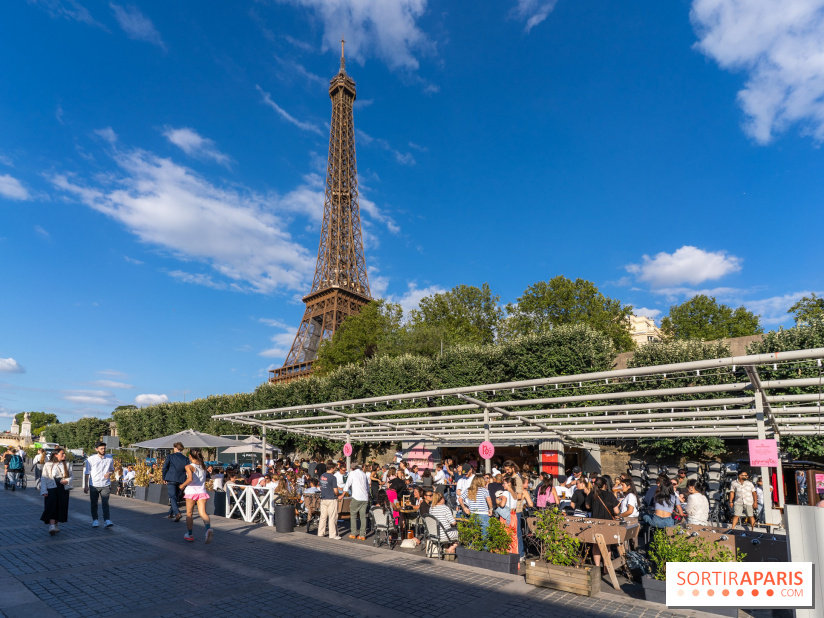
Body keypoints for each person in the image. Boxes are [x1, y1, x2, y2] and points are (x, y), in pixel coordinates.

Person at [179, 448, 213, 544]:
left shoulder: (189, 466)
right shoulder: (203, 466)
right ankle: (208, 529)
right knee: (203, 513)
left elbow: (190, 479)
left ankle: (190, 534)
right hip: (202, 491)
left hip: (191, 492)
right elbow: (205, 478)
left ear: (190, 456)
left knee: (189, 513)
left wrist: (182, 485)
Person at [40, 447, 73, 535]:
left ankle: (56, 524)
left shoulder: (67, 464)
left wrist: (68, 480)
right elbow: (43, 478)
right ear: (56, 455)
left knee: (61, 505)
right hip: (51, 486)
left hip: (63, 487)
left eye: (64, 453)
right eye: (62, 454)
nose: (64, 455)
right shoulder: (48, 464)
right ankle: (51, 525)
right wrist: (43, 490)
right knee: (51, 505)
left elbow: (71, 476)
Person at [589, 477, 619, 569]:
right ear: (605, 485)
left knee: (595, 545)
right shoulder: (610, 495)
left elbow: (587, 505)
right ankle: (606, 567)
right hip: (608, 522)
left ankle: (597, 566)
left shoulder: (592, 494)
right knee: (607, 545)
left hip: (596, 522)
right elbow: (616, 511)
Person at [84, 441, 114, 528]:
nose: (103, 450)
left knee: (105, 502)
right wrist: (86, 485)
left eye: (104, 448)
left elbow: (112, 469)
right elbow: (87, 472)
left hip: (105, 484)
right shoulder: (91, 459)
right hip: (94, 484)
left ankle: (107, 520)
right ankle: (95, 520)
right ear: (96, 449)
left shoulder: (109, 458)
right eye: (101, 448)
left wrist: (109, 473)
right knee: (94, 503)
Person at [503, 460, 526, 560]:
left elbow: (520, 496)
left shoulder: (517, 479)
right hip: (510, 509)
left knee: (517, 532)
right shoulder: (511, 478)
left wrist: (510, 493)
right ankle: (514, 552)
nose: (507, 471)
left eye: (508, 469)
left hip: (516, 509)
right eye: (505, 470)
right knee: (511, 532)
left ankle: (521, 554)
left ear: (513, 468)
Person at [162, 442, 189, 522]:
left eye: (174, 448)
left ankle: (177, 513)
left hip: (171, 478)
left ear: (176, 448)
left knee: (172, 496)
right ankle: (170, 513)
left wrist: (164, 477)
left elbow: (164, 467)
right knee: (176, 497)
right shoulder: (186, 458)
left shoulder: (170, 456)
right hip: (181, 479)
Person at [343, 463, 369, 541]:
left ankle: (353, 533)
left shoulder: (352, 473)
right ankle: (362, 535)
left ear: (351, 468)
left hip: (356, 497)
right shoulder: (364, 474)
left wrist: (343, 494)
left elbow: (348, 484)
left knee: (353, 515)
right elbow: (367, 486)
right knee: (363, 516)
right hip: (365, 498)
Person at [318, 461, 341, 540]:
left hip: (323, 498)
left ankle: (320, 533)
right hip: (331, 498)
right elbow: (335, 490)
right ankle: (332, 535)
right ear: (331, 468)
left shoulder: (322, 476)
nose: (335, 470)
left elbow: (321, 486)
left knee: (323, 517)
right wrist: (338, 495)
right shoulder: (333, 477)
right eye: (334, 468)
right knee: (332, 517)